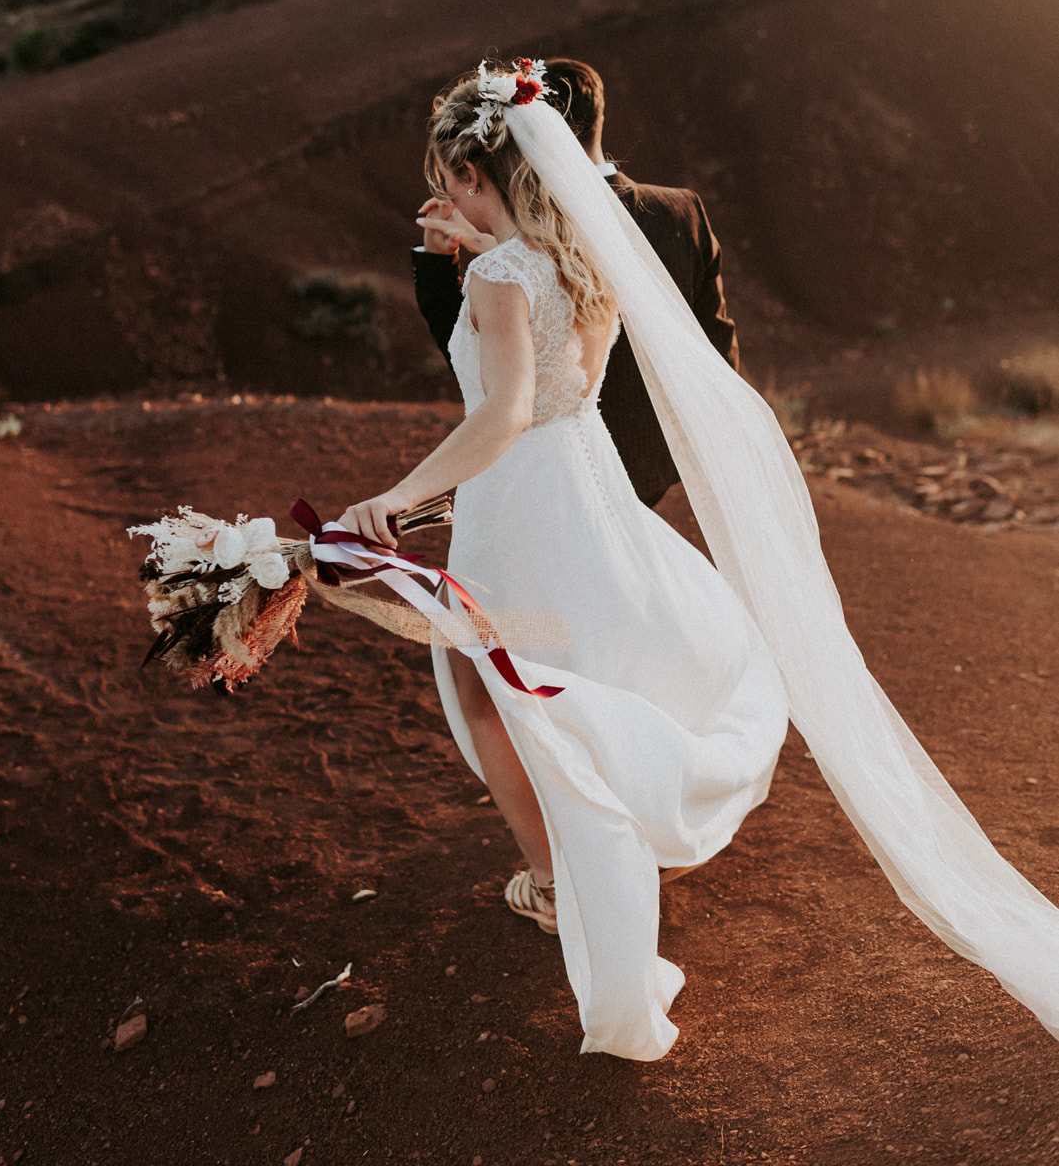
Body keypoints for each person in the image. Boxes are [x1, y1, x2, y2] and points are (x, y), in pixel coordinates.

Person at [340, 58, 1059, 1062]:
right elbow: (560, 377)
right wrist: (481, 247)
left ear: (476, 171)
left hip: (523, 498)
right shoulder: (589, 259)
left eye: (452, 178)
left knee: (486, 673)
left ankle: (559, 878)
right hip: (589, 486)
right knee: (576, 661)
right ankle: (602, 834)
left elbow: (501, 411)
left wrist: (398, 495)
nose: (446, 194)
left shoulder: (504, 277)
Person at [411, 57, 737, 506]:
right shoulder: (675, 212)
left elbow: (495, 376)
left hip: (535, 475)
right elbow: (716, 343)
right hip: (639, 460)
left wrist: (447, 261)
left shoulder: (520, 256)